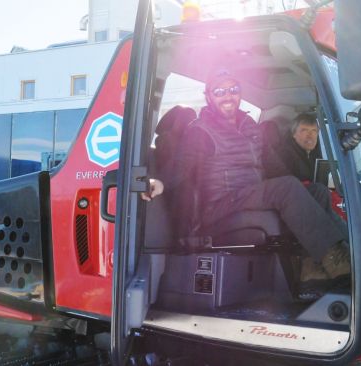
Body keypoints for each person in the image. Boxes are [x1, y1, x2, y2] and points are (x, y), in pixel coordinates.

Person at [144, 68, 350, 291]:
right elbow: (182, 165)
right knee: (287, 188)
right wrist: (161, 182)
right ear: (209, 96)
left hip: (250, 194)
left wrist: (302, 187)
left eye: (233, 89)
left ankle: (311, 266)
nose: (227, 96)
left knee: (317, 191)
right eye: (219, 91)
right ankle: (336, 260)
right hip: (222, 203)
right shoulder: (200, 131)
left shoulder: (249, 126)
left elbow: (273, 164)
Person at [278, 113, 322, 183]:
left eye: (314, 131)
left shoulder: (315, 155)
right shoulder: (286, 155)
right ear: (294, 134)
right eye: (304, 130)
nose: (310, 135)